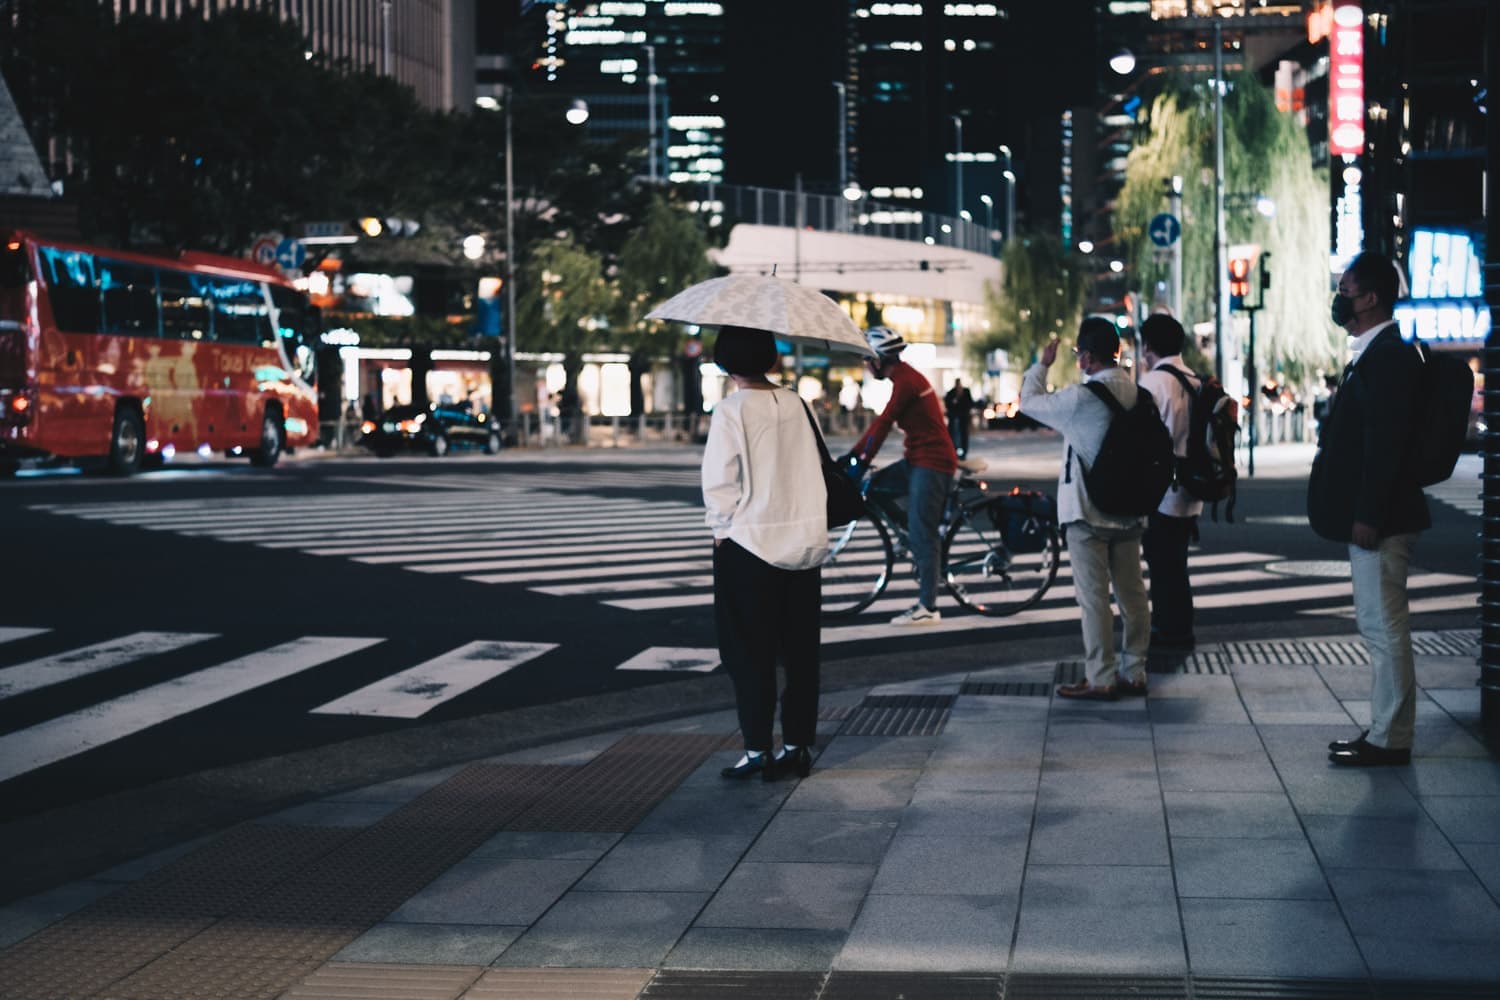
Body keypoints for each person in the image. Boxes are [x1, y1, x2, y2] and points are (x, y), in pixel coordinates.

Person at [1310, 251, 1429, 767]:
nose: (1340, 299)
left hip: (1383, 520)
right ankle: (1385, 730)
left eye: (1346, 290)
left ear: (1371, 297)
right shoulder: (1375, 354)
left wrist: (1369, 514)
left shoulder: (1388, 358)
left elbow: (1385, 444)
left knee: (1384, 627)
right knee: (1379, 625)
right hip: (1378, 515)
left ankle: (1390, 738)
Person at [702, 325, 826, 782]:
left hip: (750, 544)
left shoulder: (731, 410)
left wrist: (720, 529)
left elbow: (720, 478)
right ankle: (796, 747)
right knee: (800, 652)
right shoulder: (797, 403)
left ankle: (757, 748)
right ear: (772, 359)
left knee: (748, 653)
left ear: (726, 363)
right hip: (804, 543)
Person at [1019, 317, 1150, 700]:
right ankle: (1135, 671)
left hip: (1087, 512)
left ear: (1087, 357)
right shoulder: (1140, 395)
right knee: (1133, 596)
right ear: (1118, 352)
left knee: (1094, 599)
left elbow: (1029, 402)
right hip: (1129, 510)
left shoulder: (1080, 399)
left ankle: (1101, 677)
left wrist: (1042, 364)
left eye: (1079, 354)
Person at [845, 326, 959, 626]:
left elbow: (883, 423)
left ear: (880, 359)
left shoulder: (907, 381)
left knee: (925, 532)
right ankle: (910, 536)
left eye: (867, 359)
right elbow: (879, 425)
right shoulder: (903, 378)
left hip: (932, 462)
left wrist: (859, 457)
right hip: (916, 458)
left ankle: (928, 607)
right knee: (875, 486)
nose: (865, 366)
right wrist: (854, 456)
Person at [1137, 314, 1204, 652]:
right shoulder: (1194, 379)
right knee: (1175, 563)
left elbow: (1140, 439)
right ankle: (1179, 628)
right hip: (1193, 485)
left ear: (1148, 345)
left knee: (1164, 565)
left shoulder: (1153, 384)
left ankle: (1171, 631)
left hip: (1163, 490)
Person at [944, 378, 976, 457]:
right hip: (954, 417)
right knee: (953, 435)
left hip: (963, 418)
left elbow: (970, 403)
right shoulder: (951, 393)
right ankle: (954, 451)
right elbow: (948, 404)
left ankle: (963, 452)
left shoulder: (965, 392)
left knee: (963, 435)